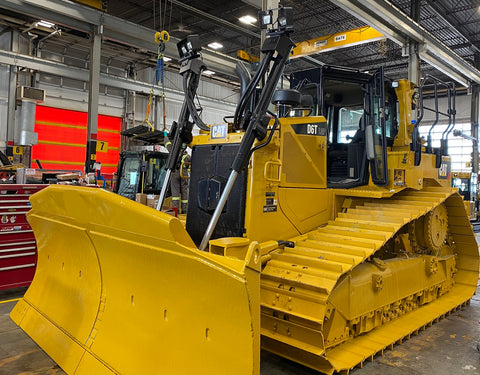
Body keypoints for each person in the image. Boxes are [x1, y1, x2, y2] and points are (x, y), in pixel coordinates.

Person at [164, 136, 190, 214]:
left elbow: (167, 144)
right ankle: (184, 210)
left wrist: (165, 136)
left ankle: (176, 212)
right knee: (184, 193)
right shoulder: (187, 156)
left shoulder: (173, 151)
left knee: (175, 194)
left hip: (175, 173)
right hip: (184, 174)